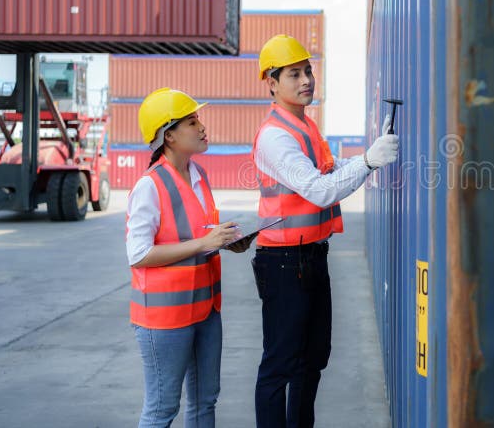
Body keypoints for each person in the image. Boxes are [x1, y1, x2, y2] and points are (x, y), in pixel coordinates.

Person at [250, 34, 399, 427]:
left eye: (308, 71)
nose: (306, 80)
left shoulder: (305, 127)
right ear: (272, 82)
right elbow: (319, 191)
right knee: (280, 365)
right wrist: (369, 161)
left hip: (312, 257)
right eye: (295, 74)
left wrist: (372, 149)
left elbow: (328, 174)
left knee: (312, 360)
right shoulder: (275, 136)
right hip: (283, 262)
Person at [126, 88, 247, 428]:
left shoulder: (199, 176)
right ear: (169, 136)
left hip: (205, 311)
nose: (202, 127)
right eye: (193, 122)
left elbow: (197, 232)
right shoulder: (149, 186)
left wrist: (222, 241)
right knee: (162, 410)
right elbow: (138, 254)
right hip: (163, 320)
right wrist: (202, 242)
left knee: (205, 402)